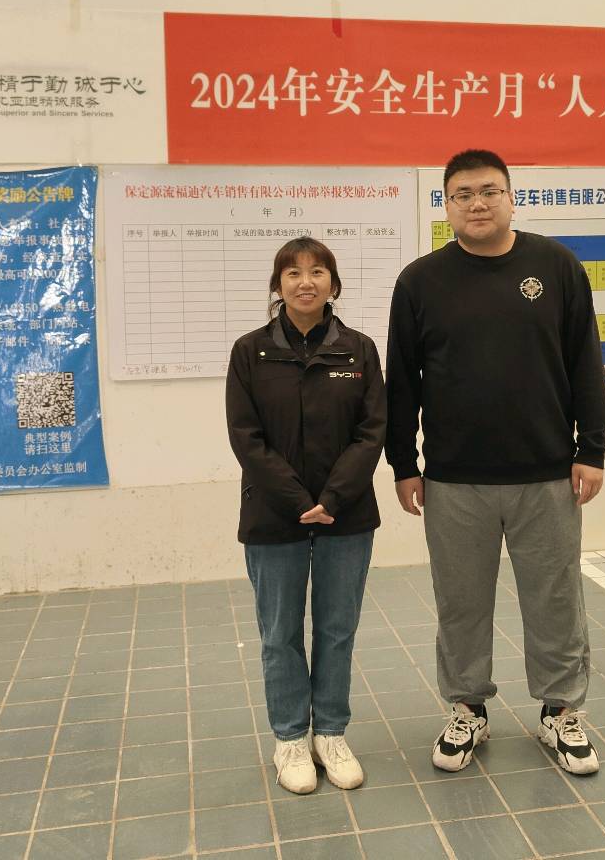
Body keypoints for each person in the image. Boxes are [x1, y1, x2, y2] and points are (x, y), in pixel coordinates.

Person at [385, 149, 605, 776]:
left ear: (511, 196)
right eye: (462, 194)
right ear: (446, 205)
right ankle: (467, 709)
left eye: (489, 191)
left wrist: (592, 448)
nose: (477, 204)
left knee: (556, 598)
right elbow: (402, 382)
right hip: (454, 479)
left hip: (548, 473)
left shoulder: (556, 267)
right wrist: (403, 463)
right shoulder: (420, 282)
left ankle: (561, 712)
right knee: (461, 602)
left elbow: (585, 362)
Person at [226, 236, 386, 794]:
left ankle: (331, 733)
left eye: (318, 272)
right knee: (280, 634)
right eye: (292, 273)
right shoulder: (250, 352)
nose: (305, 282)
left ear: (333, 285)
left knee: (338, 629)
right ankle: (291, 738)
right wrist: (300, 501)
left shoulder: (359, 350)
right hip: (274, 515)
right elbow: (246, 437)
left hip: (347, 514)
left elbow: (372, 432)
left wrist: (333, 498)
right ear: (278, 285)